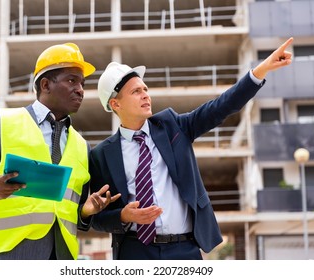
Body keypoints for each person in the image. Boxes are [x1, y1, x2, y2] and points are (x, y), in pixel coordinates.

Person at [88, 37, 294, 260]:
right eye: (136, 91)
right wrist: (123, 216)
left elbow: (220, 107)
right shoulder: (102, 155)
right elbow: (96, 218)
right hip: (134, 251)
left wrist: (261, 70)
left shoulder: (173, 126)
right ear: (115, 104)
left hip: (183, 249)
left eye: (145, 88)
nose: (146, 94)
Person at [0, 42, 120, 260]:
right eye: (71, 80)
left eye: (82, 83)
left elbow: (70, 214)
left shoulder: (81, 145)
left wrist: (87, 210)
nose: (80, 90)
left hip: (62, 257)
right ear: (46, 84)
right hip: (7, 256)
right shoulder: (4, 123)